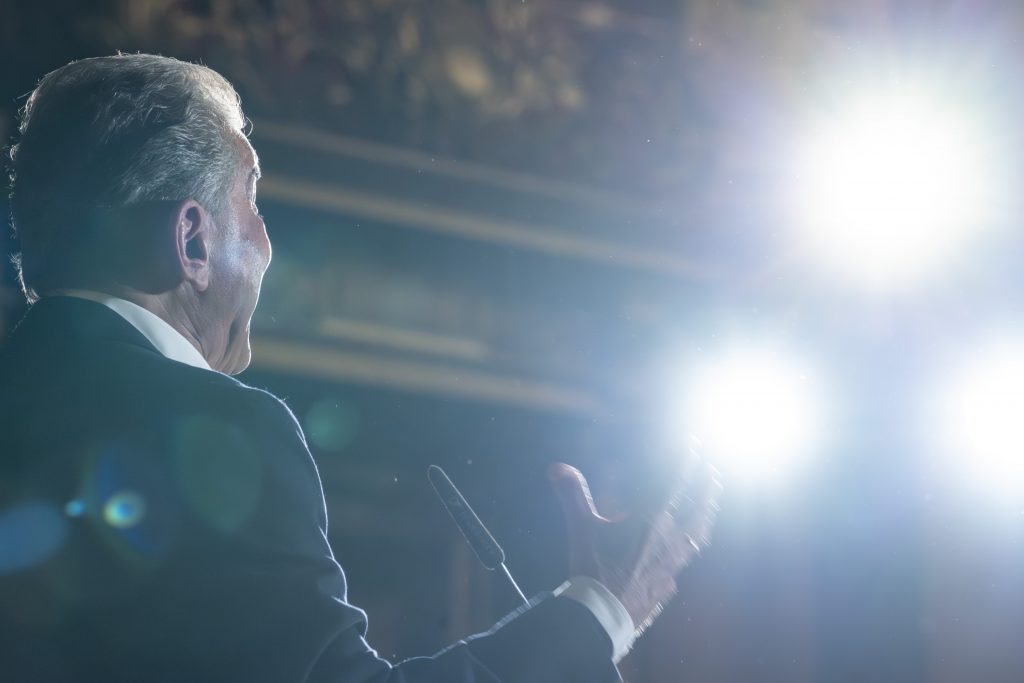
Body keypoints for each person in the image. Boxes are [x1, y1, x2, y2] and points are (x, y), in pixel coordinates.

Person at [0, 54, 721, 682]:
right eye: (253, 200)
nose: (266, 242)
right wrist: (602, 608)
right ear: (191, 240)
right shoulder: (216, 429)